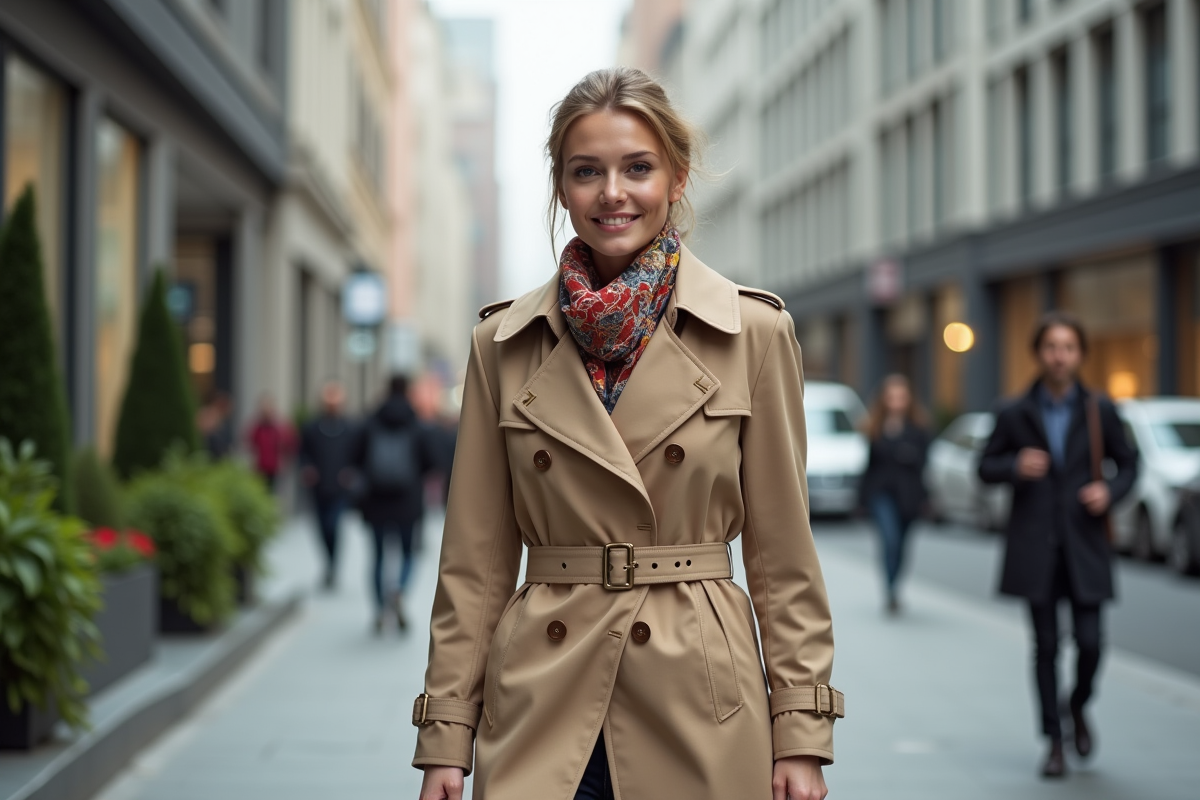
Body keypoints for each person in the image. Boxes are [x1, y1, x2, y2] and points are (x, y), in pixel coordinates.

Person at [415, 67, 842, 800]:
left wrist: (801, 731)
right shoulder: (502, 343)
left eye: (638, 168)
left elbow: (783, 557)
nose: (612, 192)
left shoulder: (754, 333)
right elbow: (474, 563)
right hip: (542, 693)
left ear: (676, 179)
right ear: (561, 187)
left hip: (698, 692)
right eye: (587, 171)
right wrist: (446, 736)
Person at [979, 312, 1138, 779]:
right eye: (1051, 347)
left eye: (1068, 347)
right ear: (1038, 353)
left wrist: (1110, 491)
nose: (1059, 356)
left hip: (1085, 544)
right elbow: (984, 467)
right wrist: (1014, 466)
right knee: (1045, 647)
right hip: (1035, 546)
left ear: (1080, 354)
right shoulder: (1014, 411)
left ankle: (1077, 705)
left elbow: (1130, 464)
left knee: (1091, 644)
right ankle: (1053, 742)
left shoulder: (1100, 409)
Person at [352, 375, 437, 633]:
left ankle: (380, 609)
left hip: (376, 500)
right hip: (407, 501)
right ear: (407, 391)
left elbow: (355, 457)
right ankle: (398, 591)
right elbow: (431, 461)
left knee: (378, 556)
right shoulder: (416, 423)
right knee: (408, 553)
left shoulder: (371, 422)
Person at [858, 374, 930, 614]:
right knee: (890, 540)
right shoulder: (875, 427)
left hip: (909, 496)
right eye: (892, 397)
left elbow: (923, 464)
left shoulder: (919, 428)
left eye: (901, 396)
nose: (896, 401)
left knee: (902, 546)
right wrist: (861, 499)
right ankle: (889, 589)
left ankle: (896, 585)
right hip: (881, 494)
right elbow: (869, 465)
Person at [299, 381, 356, 590]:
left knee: (334, 525)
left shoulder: (350, 428)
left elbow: (357, 455)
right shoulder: (312, 428)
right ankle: (329, 564)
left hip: (340, 488)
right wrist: (307, 468)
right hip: (319, 487)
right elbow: (303, 453)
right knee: (322, 528)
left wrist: (351, 471)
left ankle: (333, 566)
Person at [245, 395, 294, 491]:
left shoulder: (280, 428)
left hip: (276, 468)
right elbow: (250, 444)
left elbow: (290, 445)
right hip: (260, 468)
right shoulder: (257, 428)